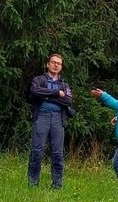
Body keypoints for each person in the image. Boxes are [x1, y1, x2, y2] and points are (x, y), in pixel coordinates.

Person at [27, 53, 73, 189]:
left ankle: (57, 185)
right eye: (53, 62)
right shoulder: (39, 79)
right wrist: (56, 94)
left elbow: (68, 100)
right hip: (42, 116)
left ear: (61, 66)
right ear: (48, 64)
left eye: (59, 63)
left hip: (58, 118)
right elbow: (35, 91)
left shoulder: (64, 84)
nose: (56, 65)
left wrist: (47, 96)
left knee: (57, 153)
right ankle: (33, 184)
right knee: (37, 151)